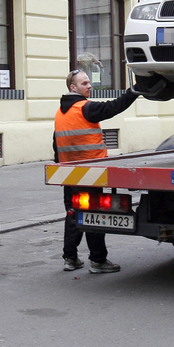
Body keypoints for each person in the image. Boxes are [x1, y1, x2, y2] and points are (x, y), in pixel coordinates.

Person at [54, 69, 138, 274]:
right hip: (90, 172)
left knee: (73, 213)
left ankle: (70, 258)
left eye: (89, 82)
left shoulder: (60, 112)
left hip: (69, 173)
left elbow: (56, 144)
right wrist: (133, 92)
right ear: (73, 88)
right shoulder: (85, 108)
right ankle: (98, 261)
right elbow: (113, 107)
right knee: (93, 214)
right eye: (84, 83)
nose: (89, 86)